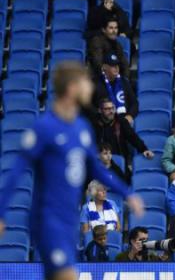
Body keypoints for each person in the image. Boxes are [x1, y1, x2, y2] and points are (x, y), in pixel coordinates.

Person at [0, 61, 144, 280]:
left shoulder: (81, 128)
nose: (90, 87)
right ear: (72, 88)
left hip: (69, 220)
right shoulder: (44, 127)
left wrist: (127, 194)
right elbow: (16, 172)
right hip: (48, 219)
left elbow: (96, 168)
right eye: (86, 82)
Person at [92, 98, 154, 172]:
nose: (111, 111)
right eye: (107, 109)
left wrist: (144, 149)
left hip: (119, 161)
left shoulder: (121, 121)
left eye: (112, 108)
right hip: (99, 161)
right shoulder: (93, 123)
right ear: (100, 110)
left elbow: (132, 137)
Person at [92, 53, 137, 123]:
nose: (116, 68)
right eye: (112, 65)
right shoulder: (95, 83)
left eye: (117, 65)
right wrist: (99, 115)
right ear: (104, 67)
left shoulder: (124, 82)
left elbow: (134, 103)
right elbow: (88, 105)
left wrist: (130, 115)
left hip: (122, 120)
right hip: (102, 122)